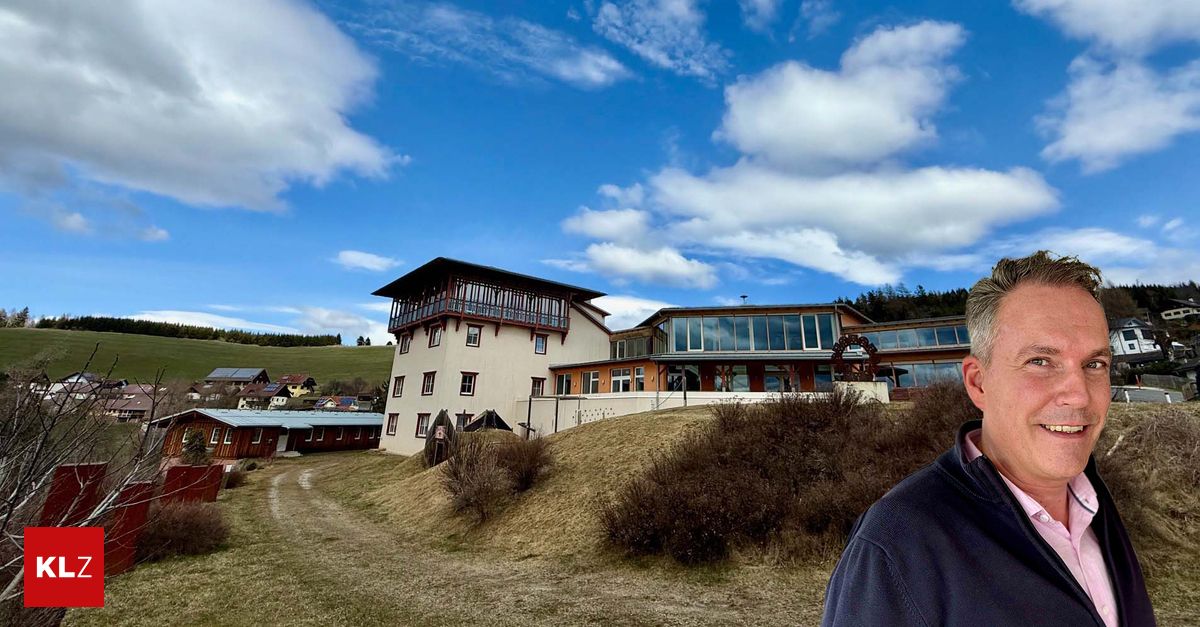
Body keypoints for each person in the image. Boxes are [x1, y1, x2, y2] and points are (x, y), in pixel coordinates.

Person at [821, 251, 1155, 626]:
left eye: (1094, 364)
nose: (1078, 394)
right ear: (979, 383)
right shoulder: (897, 547)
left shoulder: (1096, 504)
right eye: (1040, 362)